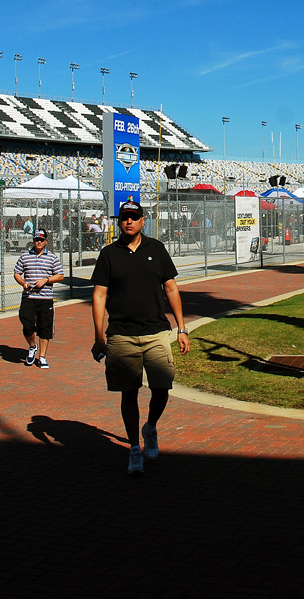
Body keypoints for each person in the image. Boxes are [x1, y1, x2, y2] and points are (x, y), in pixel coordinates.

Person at [91, 200, 189, 475]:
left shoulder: (156, 249)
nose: (129, 222)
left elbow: (171, 288)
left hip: (157, 331)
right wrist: (99, 336)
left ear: (143, 221)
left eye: (134, 217)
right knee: (128, 393)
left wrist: (181, 329)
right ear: (119, 222)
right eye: (125, 218)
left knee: (162, 387)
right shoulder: (109, 254)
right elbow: (99, 295)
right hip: (121, 335)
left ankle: (151, 427)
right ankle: (134, 447)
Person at [13, 229, 64, 368]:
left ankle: (42, 357)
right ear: (33, 241)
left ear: (46, 241)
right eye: (37, 239)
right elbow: (17, 273)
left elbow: (60, 275)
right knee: (27, 324)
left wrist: (46, 279)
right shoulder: (25, 256)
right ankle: (32, 346)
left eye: (41, 240)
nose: (39, 242)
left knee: (45, 327)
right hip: (29, 297)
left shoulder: (52, 258)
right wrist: (23, 283)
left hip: (45, 298)